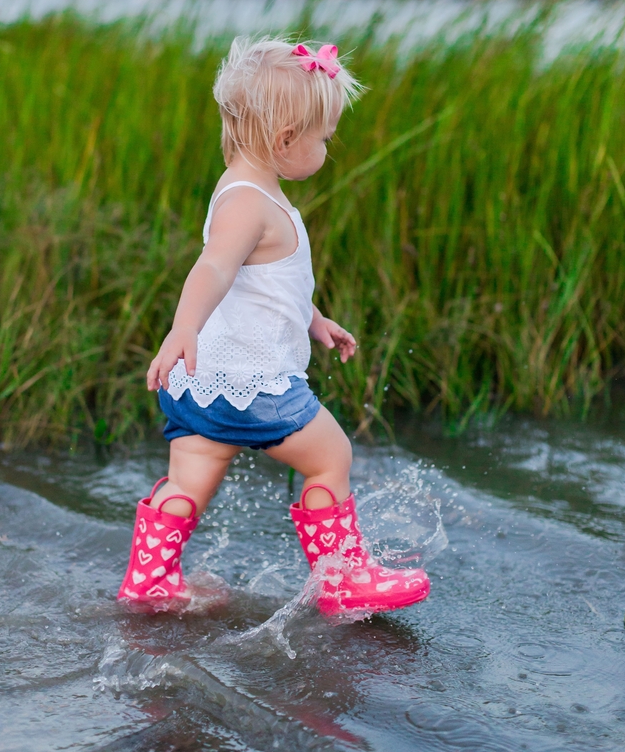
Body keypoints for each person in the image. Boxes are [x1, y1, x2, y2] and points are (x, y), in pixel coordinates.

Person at [118, 38, 430, 615]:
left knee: (189, 485)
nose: (328, 146)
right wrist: (181, 326)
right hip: (253, 384)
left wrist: (314, 320)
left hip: (201, 386)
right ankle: (342, 579)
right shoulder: (251, 203)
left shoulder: (240, 186)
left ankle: (150, 583)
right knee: (330, 456)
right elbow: (212, 267)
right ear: (287, 139)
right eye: (325, 137)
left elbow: (262, 284)